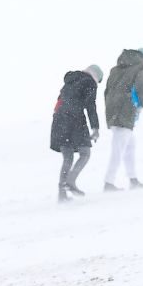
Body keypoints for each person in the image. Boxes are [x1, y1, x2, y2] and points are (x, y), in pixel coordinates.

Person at [51, 65, 103, 203]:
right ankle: (70, 181)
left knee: (67, 157)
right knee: (85, 153)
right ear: (96, 77)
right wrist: (95, 128)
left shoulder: (70, 81)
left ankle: (62, 193)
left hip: (59, 119)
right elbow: (91, 106)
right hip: (74, 119)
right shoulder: (89, 82)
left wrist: (60, 117)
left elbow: (59, 102)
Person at [103, 48, 143, 191]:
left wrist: (111, 108)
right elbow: (141, 86)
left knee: (129, 146)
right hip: (125, 110)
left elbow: (107, 91)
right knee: (118, 148)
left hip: (114, 110)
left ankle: (133, 179)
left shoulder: (115, 69)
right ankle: (108, 182)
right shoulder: (140, 66)